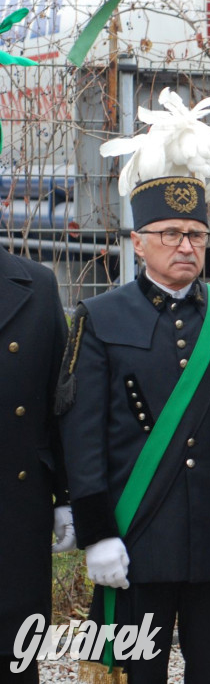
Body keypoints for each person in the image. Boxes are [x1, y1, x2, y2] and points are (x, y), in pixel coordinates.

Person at [59, 89, 210, 683]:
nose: (187, 246)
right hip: (136, 538)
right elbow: (85, 437)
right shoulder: (101, 320)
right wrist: (97, 532)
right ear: (139, 241)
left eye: (197, 235)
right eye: (171, 233)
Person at [0, 247, 75, 682]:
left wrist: (66, 496)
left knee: (15, 653)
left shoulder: (35, 284)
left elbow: (59, 400)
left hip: (17, 507)